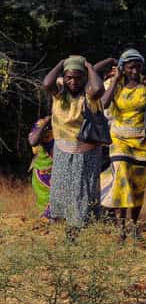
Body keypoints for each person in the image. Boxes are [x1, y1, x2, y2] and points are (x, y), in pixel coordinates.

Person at [97, 49, 146, 241]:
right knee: (121, 180)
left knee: (137, 187)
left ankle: (133, 226)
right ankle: (120, 228)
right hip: (119, 141)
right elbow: (102, 104)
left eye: (138, 66)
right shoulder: (113, 84)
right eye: (130, 67)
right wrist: (115, 80)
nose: (134, 71)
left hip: (143, 143)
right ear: (123, 68)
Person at [41, 56, 105, 235]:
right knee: (61, 193)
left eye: (78, 77)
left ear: (84, 77)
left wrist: (89, 66)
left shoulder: (89, 94)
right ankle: (65, 234)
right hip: (62, 152)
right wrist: (61, 63)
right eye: (69, 77)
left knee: (81, 195)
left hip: (85, 154)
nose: (73, 81)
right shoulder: (59, 93)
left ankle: (75, 236)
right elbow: (47, 83)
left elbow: (99, 88)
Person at [28, 117, 54, 218]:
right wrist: (45, 124)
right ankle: (45, 223)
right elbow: (33, 141)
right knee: (45, 200)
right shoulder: (42, 124)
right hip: (42, 172)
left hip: (57, 171)